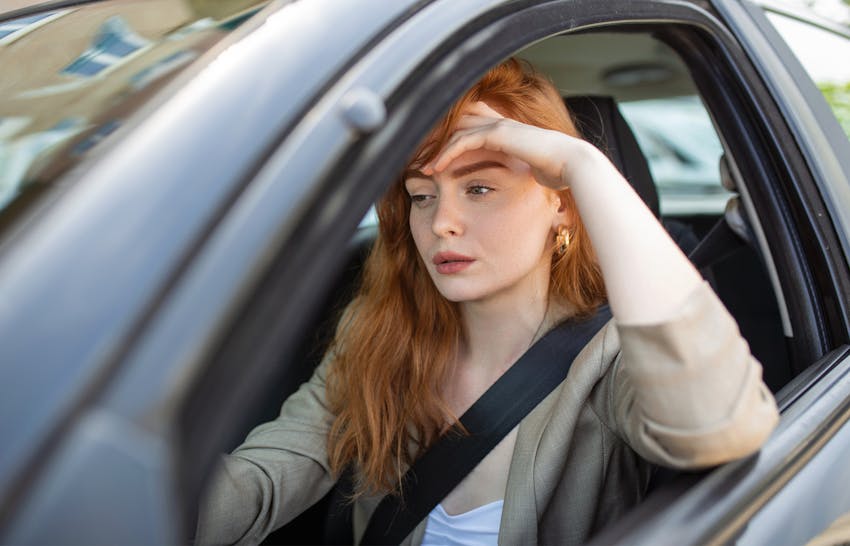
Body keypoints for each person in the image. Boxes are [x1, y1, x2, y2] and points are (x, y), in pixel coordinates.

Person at [195, 58, 779, 545]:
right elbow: (255, 487)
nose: (442, 223)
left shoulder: (612, 359)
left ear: (562, 207)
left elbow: (717, 427)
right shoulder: (379, 333)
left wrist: (585, 165)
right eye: (421, 195)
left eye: (479, 187)